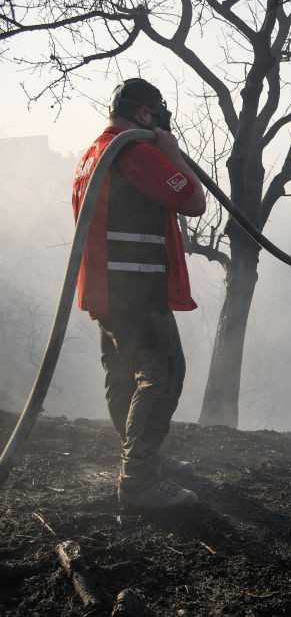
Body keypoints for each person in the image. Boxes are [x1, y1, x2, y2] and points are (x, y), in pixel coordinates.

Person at [71, 78, 207, 510]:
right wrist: (172, 154)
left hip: (106, 290)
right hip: (137, 290)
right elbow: (193, 200)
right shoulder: (138, 152)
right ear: (146, 114)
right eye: (159, 114)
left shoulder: (93, 153)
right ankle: (139, 480)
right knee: (162, 374)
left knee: (124, 378)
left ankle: (145, 458)